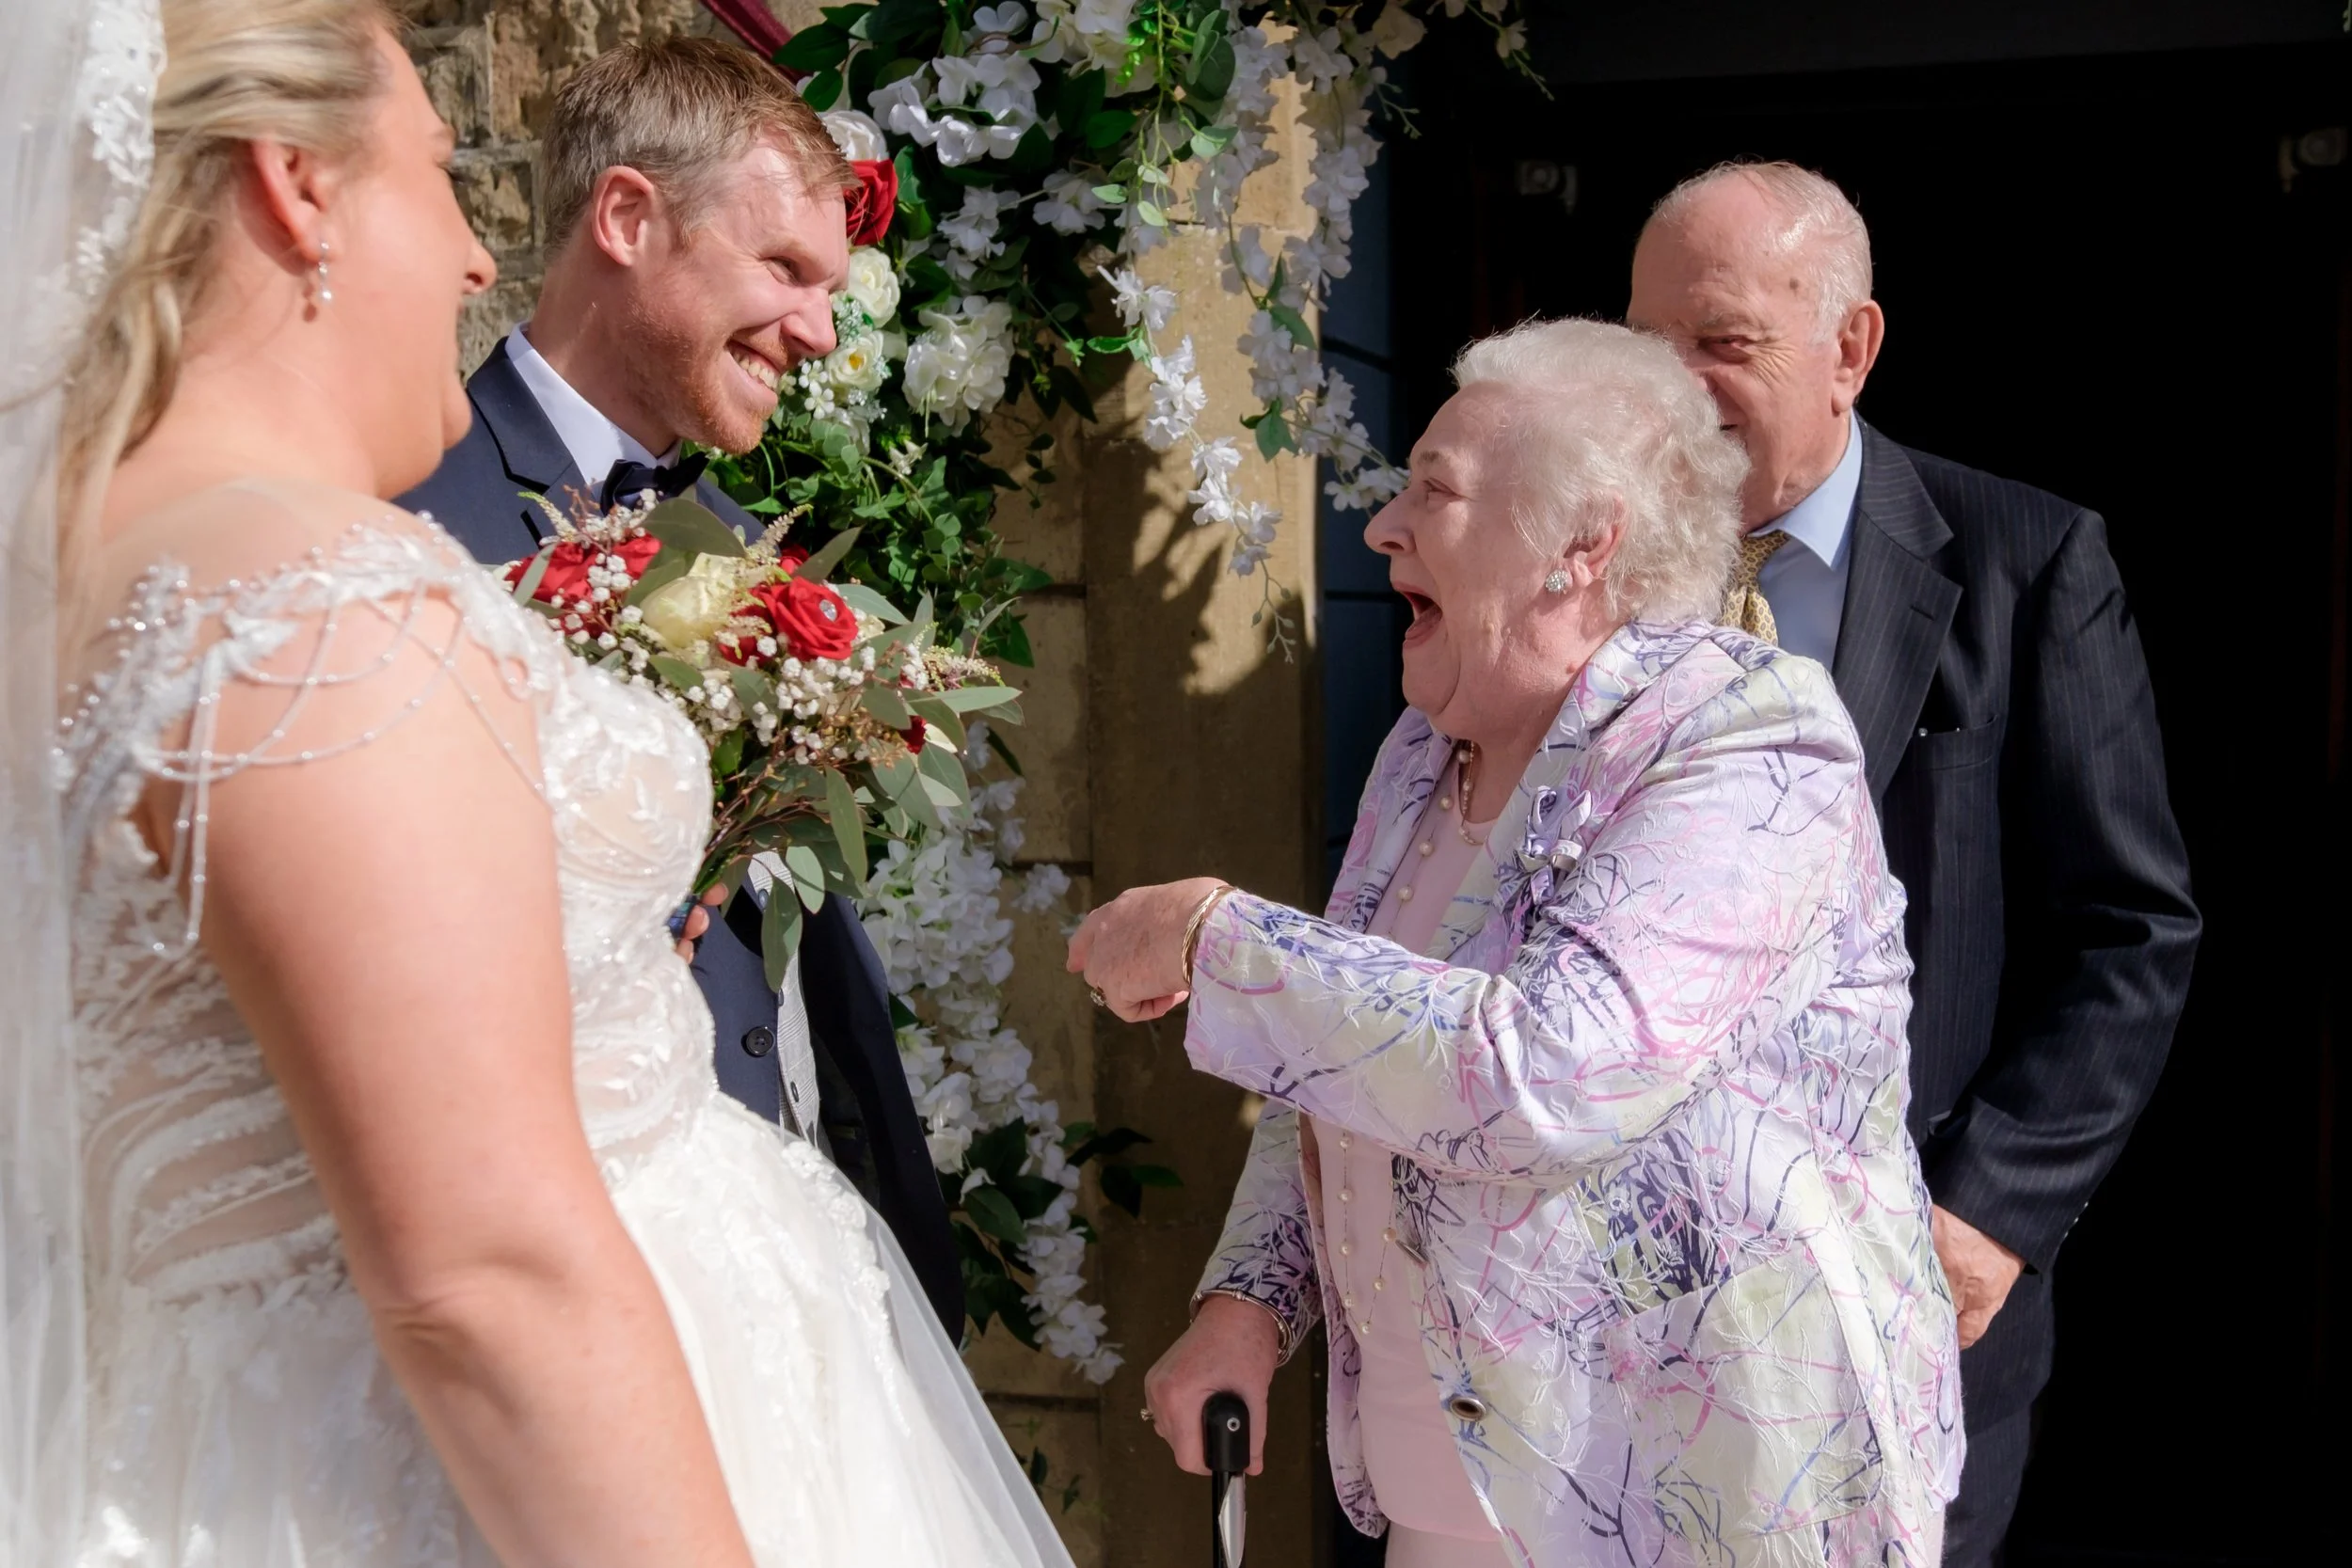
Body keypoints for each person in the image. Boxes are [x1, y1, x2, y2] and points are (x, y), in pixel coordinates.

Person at [8, 2, 1071, 1562]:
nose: (471, 249)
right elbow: (484, 1272)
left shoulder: (87, 579)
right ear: (298, 183)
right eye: (442, 173)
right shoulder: (326, 598)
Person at [1078, 319, 1963, 1568]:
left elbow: (1554, 1070)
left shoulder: (1747, 743)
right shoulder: (1423, 750)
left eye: (1432, 493)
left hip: (1689, 1504)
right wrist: (1251, 1304)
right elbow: (1341, 1056)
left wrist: (1216, 936)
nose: (1382, 529)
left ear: (1579, 547)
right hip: (1453, 1492)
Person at [1626, 162, 2200, 1562]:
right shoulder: (1602, 572)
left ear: (1852, 346)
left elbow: (2129, 934)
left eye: (1723, 343)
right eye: (1647, 347)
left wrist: (1989, 1213)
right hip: (1629, 1329)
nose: (1674, 387)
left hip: (1910, 1314)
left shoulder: (2030, 563)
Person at [394, 38, 962, 1339]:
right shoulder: (418, 523)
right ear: (630, 219)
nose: (820, 330)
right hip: (581, 1292)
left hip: (801, 1267)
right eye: (785, 270)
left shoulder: (730, 538)